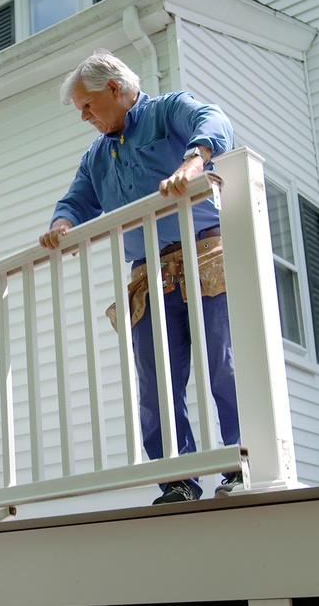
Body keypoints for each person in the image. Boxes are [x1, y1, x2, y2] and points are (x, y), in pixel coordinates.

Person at [39, 50, 237, 504]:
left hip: (204, 252)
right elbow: (76, 200)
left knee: (222, 363)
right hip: (147, 274)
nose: (84, 117)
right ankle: (178, 480)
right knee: (155, 383)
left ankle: (237, 466)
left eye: (86, 106)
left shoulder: (167, 111)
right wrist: (61, 226)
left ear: (113, 89)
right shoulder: (98, 154)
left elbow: (214, 118)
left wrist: (194, 162)